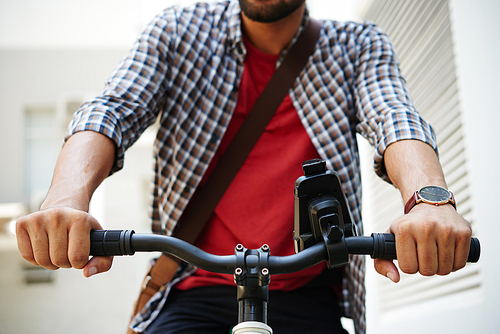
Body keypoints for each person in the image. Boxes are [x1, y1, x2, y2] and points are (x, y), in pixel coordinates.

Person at [15, 1, 472, 333]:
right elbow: (111, 110)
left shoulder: (356, 46)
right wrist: (64, 201)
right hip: (193, 290)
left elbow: (394, 117)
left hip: (307, 293)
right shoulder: (178, 32)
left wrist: (428, 200)